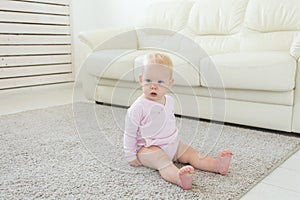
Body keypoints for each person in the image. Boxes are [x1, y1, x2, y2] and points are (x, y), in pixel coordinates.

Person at [124, 52, 232, 190]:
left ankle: (216, 165)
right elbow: (130, 133)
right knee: (162, 161)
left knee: (191, 154)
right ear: (141, 79)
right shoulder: (138, 107)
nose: (153, 86)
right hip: (148, 148)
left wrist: (173, 143)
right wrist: (130, 155)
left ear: (170, 83)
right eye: (148, 80)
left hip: (172, 143)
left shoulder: (170, 100)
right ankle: (179, 178)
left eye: (160, 82)